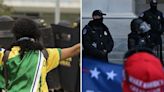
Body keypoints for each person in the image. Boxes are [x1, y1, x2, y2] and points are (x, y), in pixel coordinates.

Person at [0, 18, 80, 92]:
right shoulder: (44, 55)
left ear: (15, 34)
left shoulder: (5, 55)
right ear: (36, 34)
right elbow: (75, 50)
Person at [139, 0, 164, 64]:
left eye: (155, 5)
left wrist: (161, 30)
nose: (154, 6)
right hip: (149, 34)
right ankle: (148, 61)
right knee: (149, 49)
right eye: (153, 5)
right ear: (150, 5)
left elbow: (163, 23)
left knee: (159, 49)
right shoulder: (146, 13)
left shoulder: (159, 13)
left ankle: (159, 62)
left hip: (157, 34)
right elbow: (139, 22)